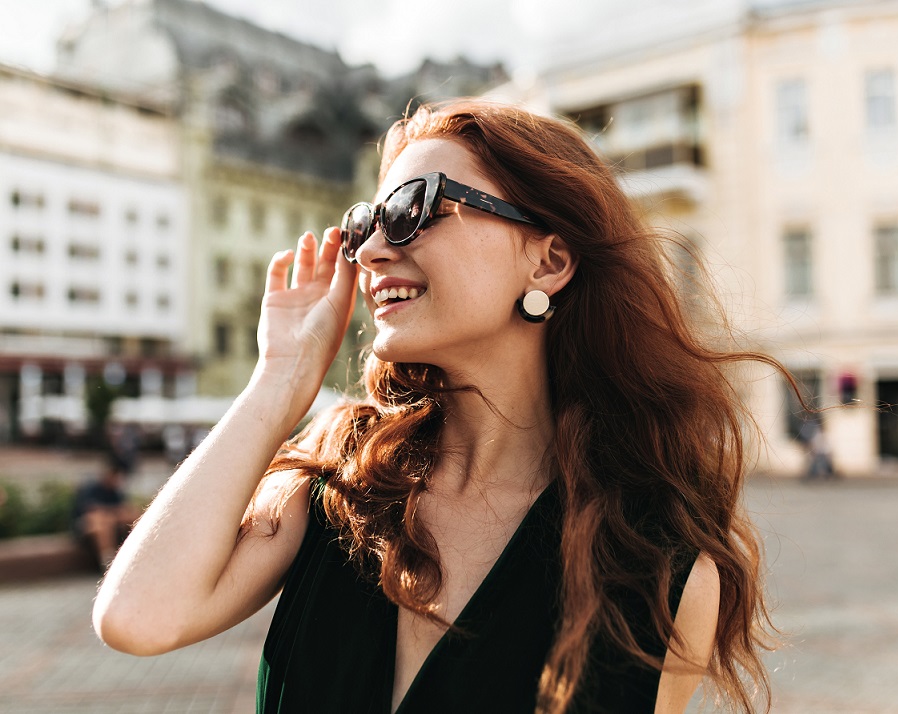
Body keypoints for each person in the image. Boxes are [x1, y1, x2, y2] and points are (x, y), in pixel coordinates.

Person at [93, 99, 780, 713]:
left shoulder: (656, 568)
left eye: (411, 210)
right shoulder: (341, 483)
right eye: (366, 222)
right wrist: (278, 380)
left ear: (548, 263)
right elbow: (138, 618)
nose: (367, 250)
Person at [71, 461, 140, 571]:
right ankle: (107, 561)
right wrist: (114, 513)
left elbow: (123, 509)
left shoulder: (115, 492)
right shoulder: (92, 489)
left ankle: (138, 552)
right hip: (87, 527)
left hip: (112, 525)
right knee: (102, 521)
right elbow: (90, 510)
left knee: (132, 514)